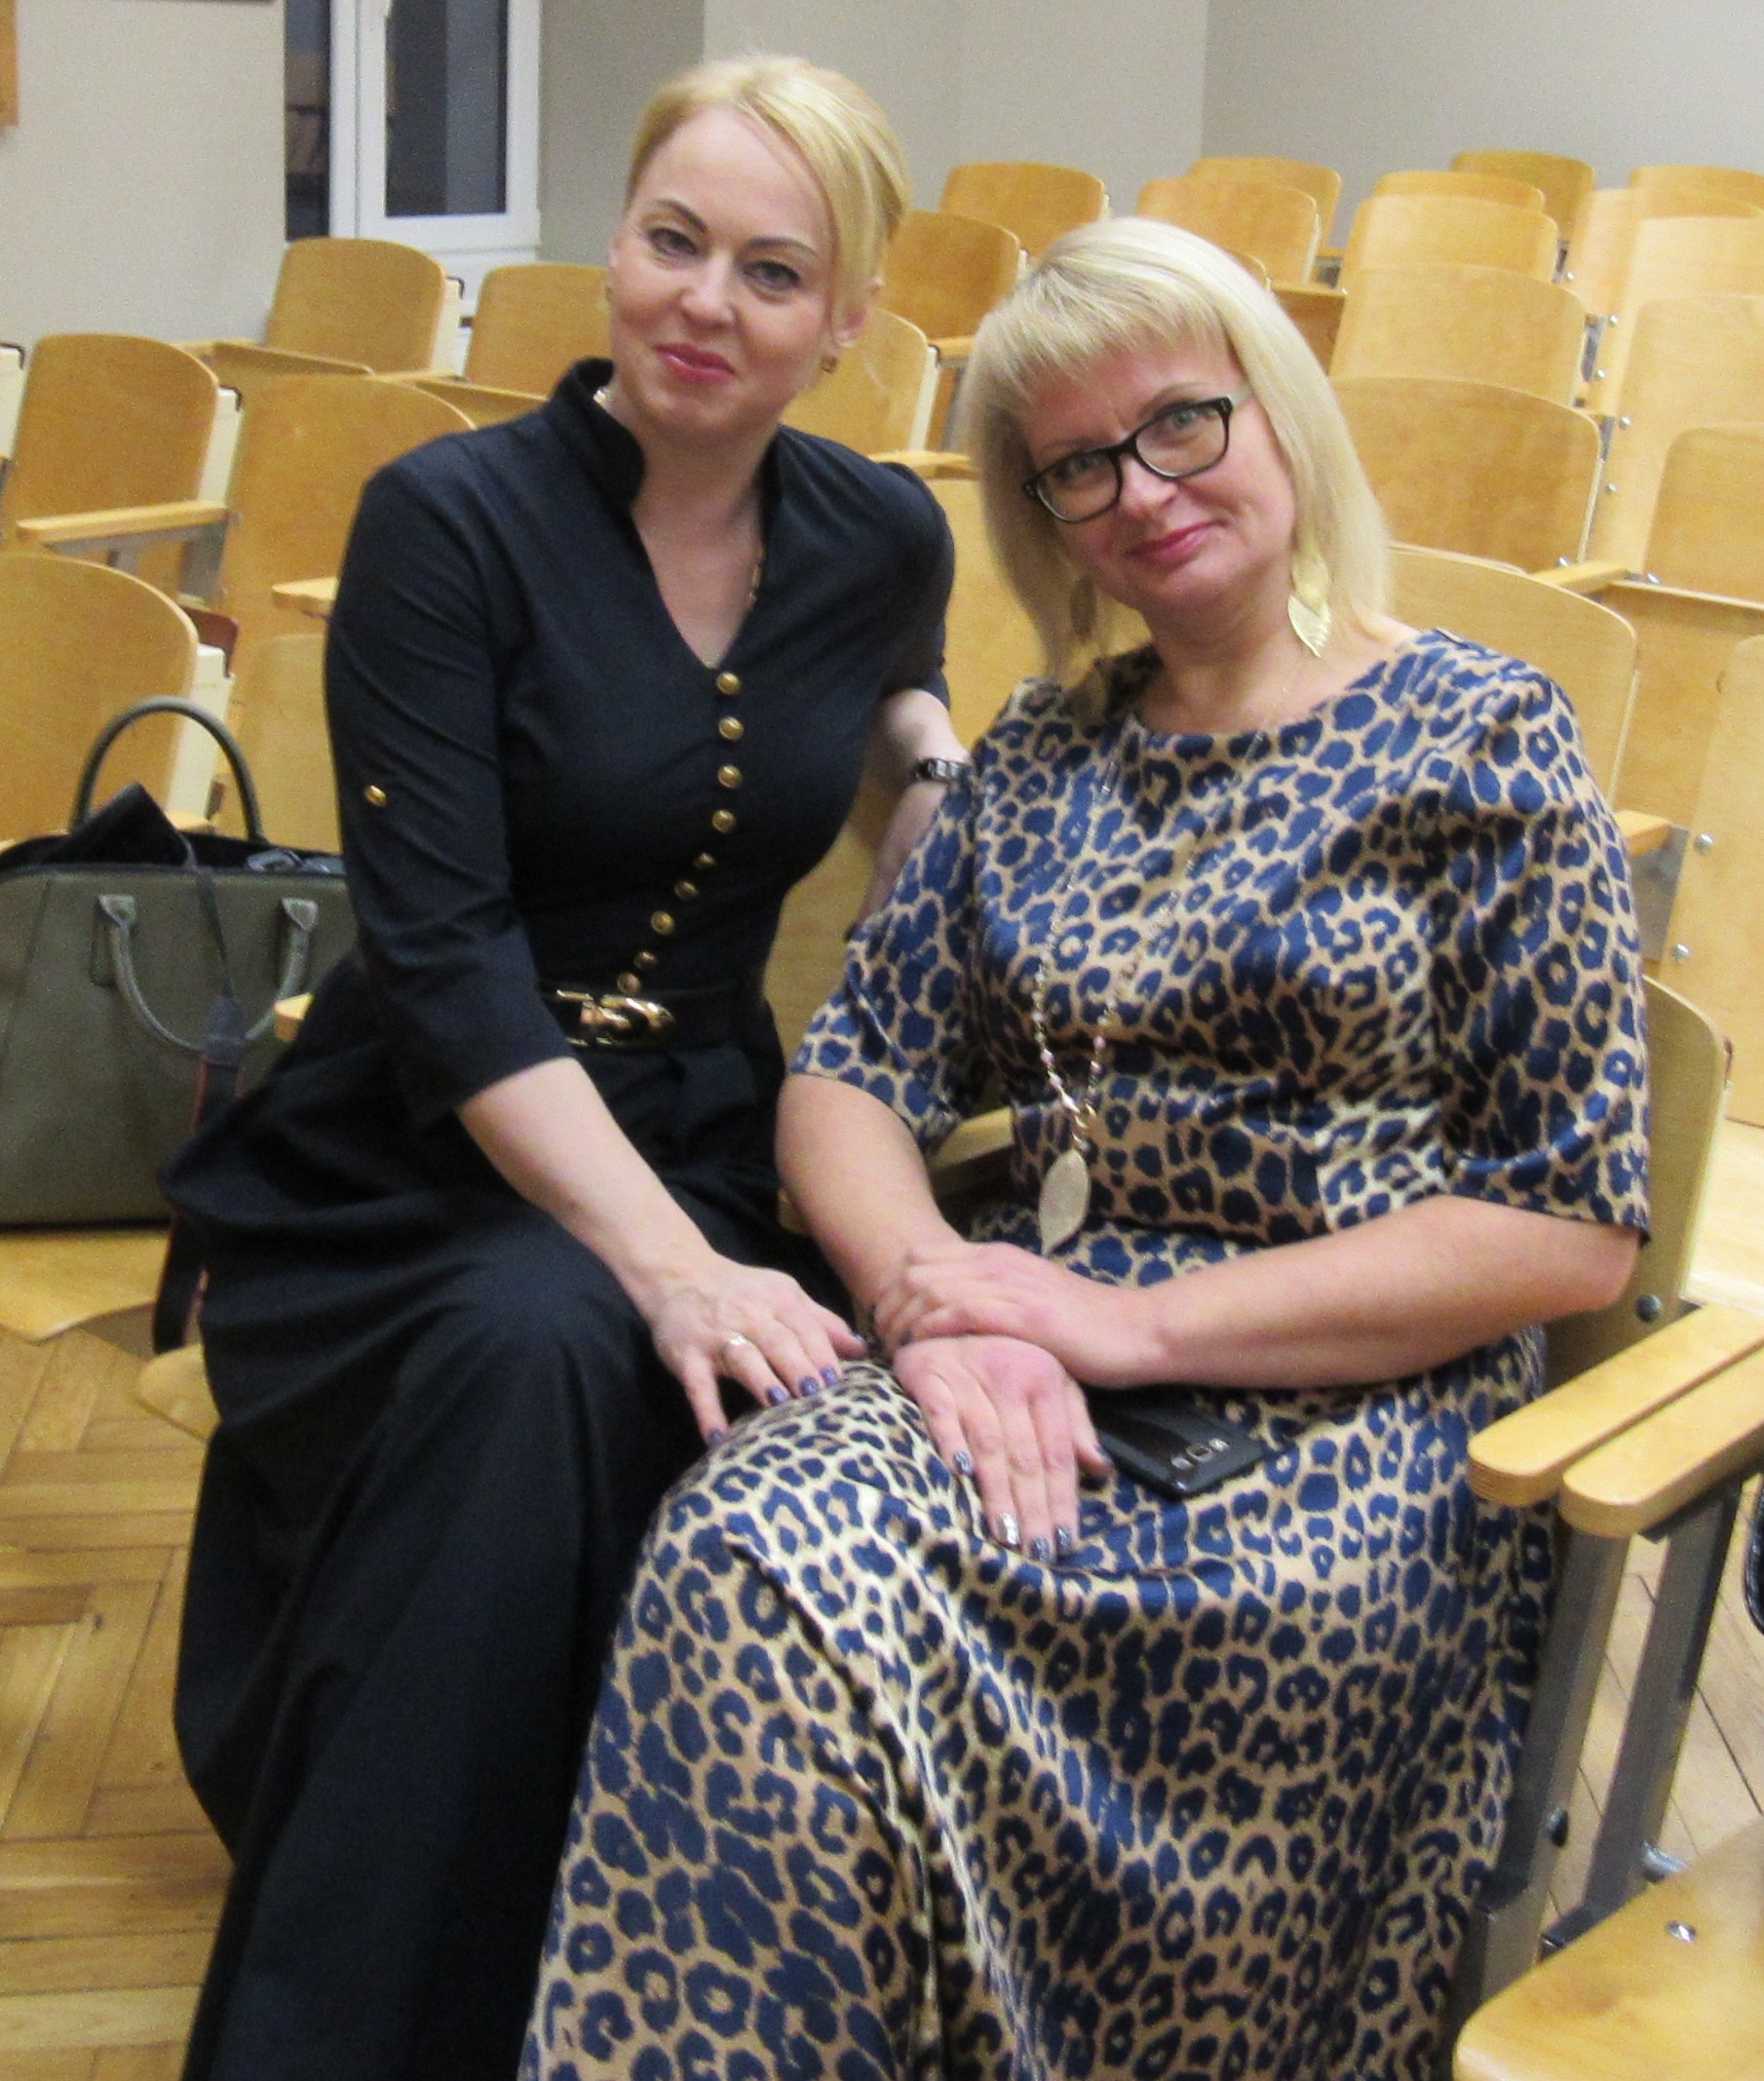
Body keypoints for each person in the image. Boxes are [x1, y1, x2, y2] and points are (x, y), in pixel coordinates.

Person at [524, 217, 1648, 2081]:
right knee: (746, 1548)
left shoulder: (1483, 739)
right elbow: (849, 1076)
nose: (1140, 492)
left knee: (1009, 1609)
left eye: (1179, 423)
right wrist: (924, 1296)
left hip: (1347, 1413)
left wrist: (1131, 1327)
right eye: (1076, 466)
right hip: (1012, 1349)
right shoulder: (1042, 751)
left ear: (1276, 412)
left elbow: (1565, 1221)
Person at [166, 55, 968, 2081]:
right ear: (612, 244)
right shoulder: (444, 522)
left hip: (704, 1126)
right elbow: (441, 964)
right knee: (540, 1353)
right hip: (416, 1144)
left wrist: (947, 779)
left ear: (847, 322)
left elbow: (891, 709)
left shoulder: (880, 532)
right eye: (671, 239)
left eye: (771, 271)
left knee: (669, 1384)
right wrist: (671, 1269)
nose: (704, 300)